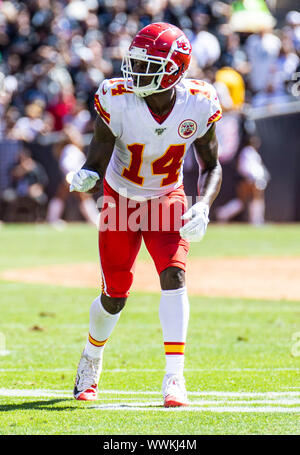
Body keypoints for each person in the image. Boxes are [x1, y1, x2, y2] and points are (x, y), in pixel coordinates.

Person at [69, 22, 222, 407]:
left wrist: (203, 204)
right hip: (120, 198)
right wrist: (87, 175)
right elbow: (98, 155)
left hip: (167, 196)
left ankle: (175, 378)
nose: (134, 71)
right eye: (135, 61)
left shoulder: (199, 101)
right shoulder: (116, 96)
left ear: (173, 69)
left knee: (174, 275)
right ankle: (91, 358)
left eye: (147, 63)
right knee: (115, 294)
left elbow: (212, 164)